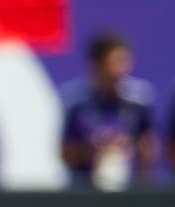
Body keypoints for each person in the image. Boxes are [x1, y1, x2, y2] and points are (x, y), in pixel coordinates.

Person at [60, 30, 158, 191]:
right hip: (83, 190)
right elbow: (65, 153)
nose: (120, 70)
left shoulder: (139, 100)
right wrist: (94, 151)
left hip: (129, 189)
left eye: (124, 62)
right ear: (96, 66)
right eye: (113, 63)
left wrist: (131, 151)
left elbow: (148, 146)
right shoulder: (75, 103)